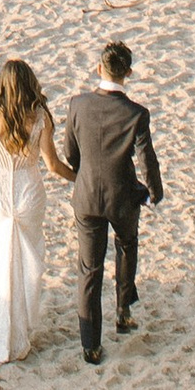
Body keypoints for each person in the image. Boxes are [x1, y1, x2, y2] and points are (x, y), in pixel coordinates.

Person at [57, 39, 164, 358]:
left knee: (89, 269)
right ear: (128, 73)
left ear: (98, 68)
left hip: (87, 195)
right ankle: (123, 311)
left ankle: (90, 345)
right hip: (123, 196)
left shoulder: (77, 104)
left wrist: (85, 173)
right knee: (127, 245)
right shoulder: (136, 113)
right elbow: (148, 159)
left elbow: (69, 152)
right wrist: (154, 193)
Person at [0, 59, 72, 367]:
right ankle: (19, 333)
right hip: (28, 190)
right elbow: (52, 165)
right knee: (25, 263)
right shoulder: (40, 117)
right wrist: (79, 177)